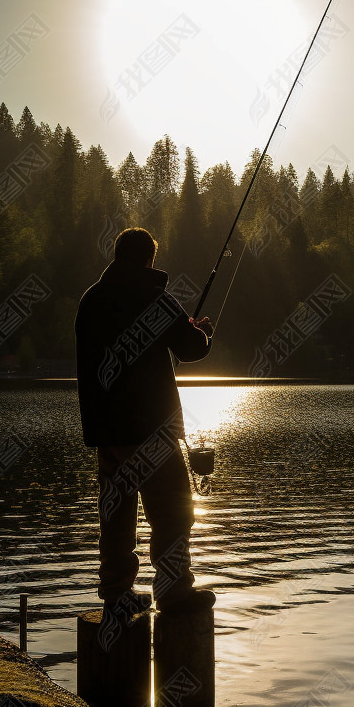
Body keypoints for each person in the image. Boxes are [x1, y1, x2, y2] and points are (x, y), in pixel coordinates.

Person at [75, 227, 214, 618]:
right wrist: (202, 332)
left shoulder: (90, 300)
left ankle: (117, 595)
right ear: (149, 259)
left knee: (116, 515)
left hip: (108, 432)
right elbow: (189, 349)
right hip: (152, 430)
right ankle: (173, 592)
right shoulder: (155, 298)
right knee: (172, 512)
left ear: (117, 255)